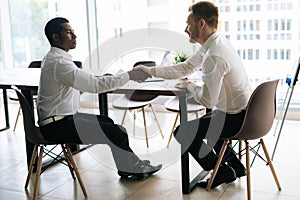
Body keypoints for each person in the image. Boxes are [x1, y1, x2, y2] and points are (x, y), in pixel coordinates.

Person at [135, 1, 251, 188]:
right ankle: (236, 167)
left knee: (184, 132)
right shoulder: (215, 43)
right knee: (209, 120)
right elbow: (186, 67)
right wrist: (149, 71)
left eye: (188, 24)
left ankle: (221, 171)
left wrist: (190, 86)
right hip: (242, 112)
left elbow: (207, 100)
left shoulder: (214, 54)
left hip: (236, 118)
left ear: (201, 23)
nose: (185, 29)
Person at [37, 17, 162, 180]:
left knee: (108, 122)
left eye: (73, 32)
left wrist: (100, 80)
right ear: (55, 37)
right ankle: (132, 167)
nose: (74, 36)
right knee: (117, 132)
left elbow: (78, 86)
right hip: (57, 126)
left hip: (60, 120)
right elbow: (95, 86)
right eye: (68, 33)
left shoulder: (55, 59)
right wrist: (129, 75)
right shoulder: (60, 62)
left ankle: (130, 165)